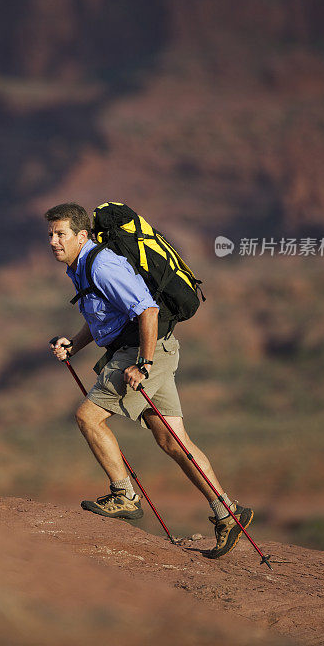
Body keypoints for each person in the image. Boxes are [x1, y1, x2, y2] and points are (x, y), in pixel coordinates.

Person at [46, 202, 253, 559]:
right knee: (173, 441)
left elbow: (147, 309)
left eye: (60, 234)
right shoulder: (80, 267)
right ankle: (227, 513)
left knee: (88, 417)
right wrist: (75, 345)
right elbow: (104, 318)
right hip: (152, 350)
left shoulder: (103, 265)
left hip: (144, 353)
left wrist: (143, 363)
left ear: (82, 236)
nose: (53, 241)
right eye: (50, 234)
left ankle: (124, 494)